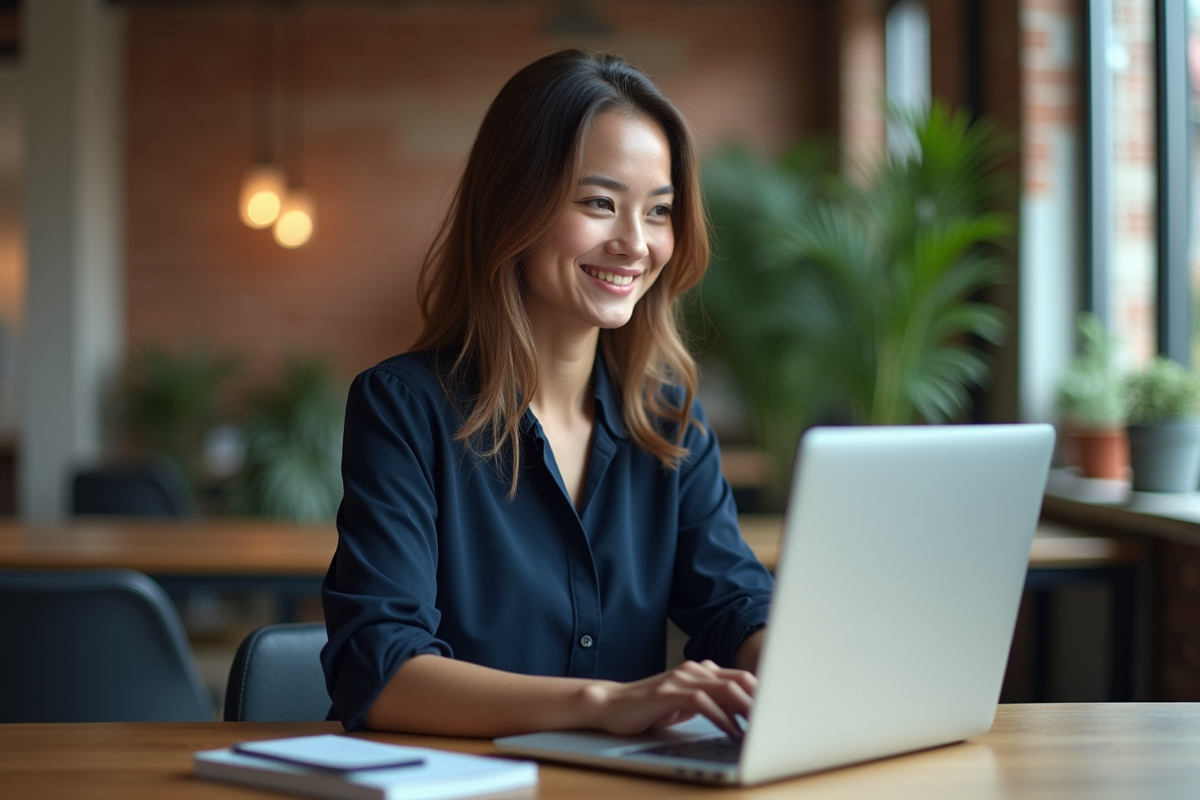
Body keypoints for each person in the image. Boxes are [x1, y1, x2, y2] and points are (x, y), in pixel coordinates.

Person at [321, 49, 774, 739]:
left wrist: (788, 664)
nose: (634, 243)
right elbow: (381, 667)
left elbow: (734, 604)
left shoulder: (670, 421)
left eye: (658, 212)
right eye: (599, 203)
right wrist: (604, 704)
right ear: (515, 206)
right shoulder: (403, 408)